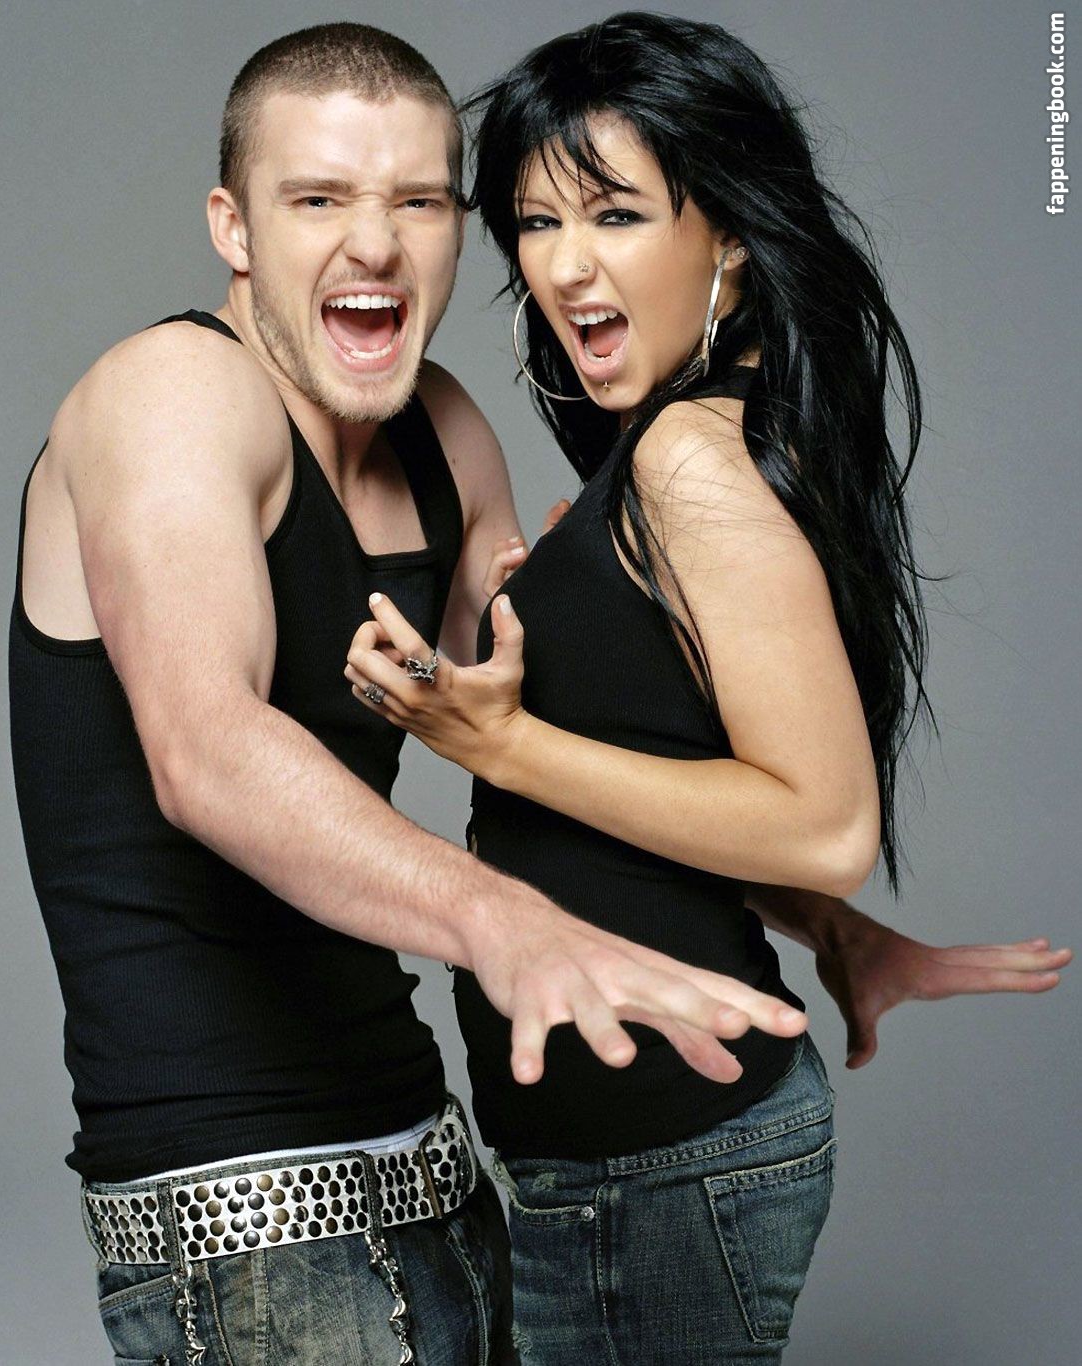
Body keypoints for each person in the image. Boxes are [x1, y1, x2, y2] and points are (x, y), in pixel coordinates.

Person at [344, 13, 1072, 1363]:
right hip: (626, 1165)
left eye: (616, 214)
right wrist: (836, 932)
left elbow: (824, 819)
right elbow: (698, 786)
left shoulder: (691, 456)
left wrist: (498, 743)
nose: (566, 265)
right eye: (537, 223)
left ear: (728, 232)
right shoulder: (672, 451)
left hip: (665, 1169)